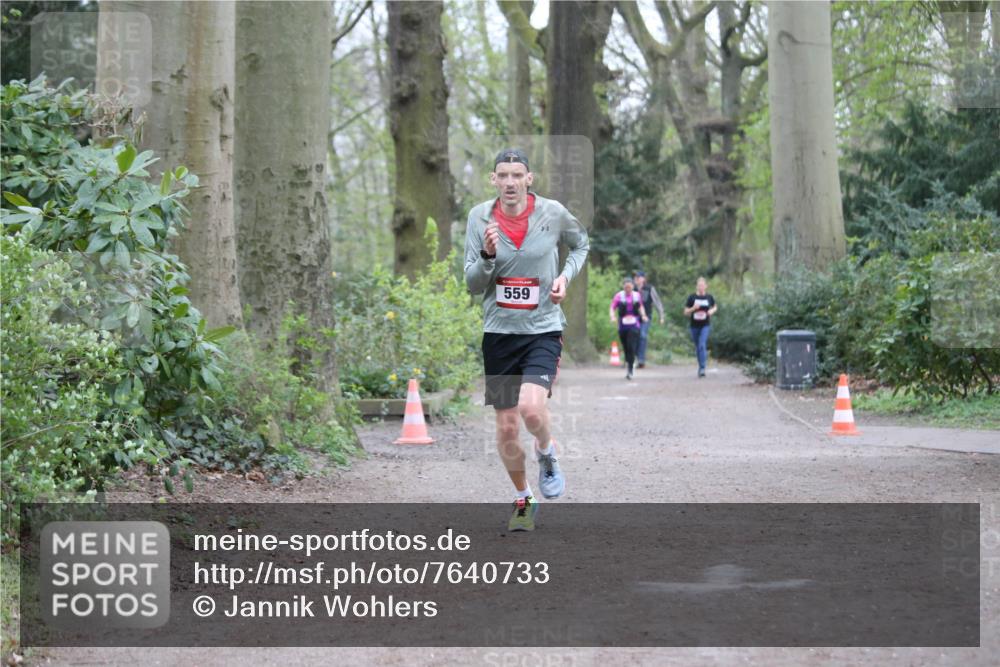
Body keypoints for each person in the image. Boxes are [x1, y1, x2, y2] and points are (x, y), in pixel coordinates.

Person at [464, 148, 590, 532]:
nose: (510, 183)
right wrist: (487, 255)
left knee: (531, 410)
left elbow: (581, 243)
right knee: (505, 428)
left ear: (529, 179)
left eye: (517, 175)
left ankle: (547, 453)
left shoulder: (552, 213)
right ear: (493, 180)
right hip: (499, 334)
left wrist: (564, 277)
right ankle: (523, 498)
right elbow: (472, 283)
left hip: (542, 329)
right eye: (502, 175)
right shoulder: (479, 218)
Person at [609, 277, 648, 380]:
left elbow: (640, 306)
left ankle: (630, 369)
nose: (628, 289)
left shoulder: (636, 295)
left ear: (632, 287)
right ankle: (629, 360)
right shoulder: (619, 296)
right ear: (623, 287)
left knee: (631, 345)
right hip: (623, 326)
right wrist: (612, 316)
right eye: (626, 287)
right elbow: (612, 307)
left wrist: (643, 315)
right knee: (626, 347)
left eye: (630, 287)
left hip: (634, 325)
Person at [683, 276, 717, 377]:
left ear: (706, 286)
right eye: (699, 286)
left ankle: (702, 368)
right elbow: (685, 312)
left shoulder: (709, 297)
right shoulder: (692, 297)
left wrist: (711, 311)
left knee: (702, 344)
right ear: (697, 287)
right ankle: (700, 365)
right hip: (694, 326)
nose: (701, 287)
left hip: (705, 325)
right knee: (698, 347)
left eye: (703, 285)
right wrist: (693, 308)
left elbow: (715, 306)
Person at [632, 271, 665, 368]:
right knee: (634, 337)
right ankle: (636, 358)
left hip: (646, 317)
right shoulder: (632, 289)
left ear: (643, 279)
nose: (637, 279)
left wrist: (661, 316)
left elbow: (657, 302)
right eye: (636, 277)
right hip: (634, 318)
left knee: (642, 335)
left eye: (639, 277)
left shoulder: (649, 289)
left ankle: (641, 359)